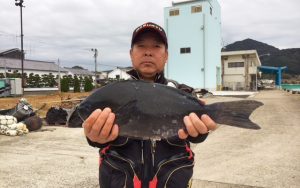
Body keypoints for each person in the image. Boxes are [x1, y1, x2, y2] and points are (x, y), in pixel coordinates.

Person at [83, 22, 217, 188]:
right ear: (131, 54)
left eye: (156, 46)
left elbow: (196, 134)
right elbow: (95, 136)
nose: (148, 52)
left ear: (166, 55)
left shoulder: (183, 93)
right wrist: (95, 138)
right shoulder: (111, 94)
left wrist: (199, 133)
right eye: (141, 46)